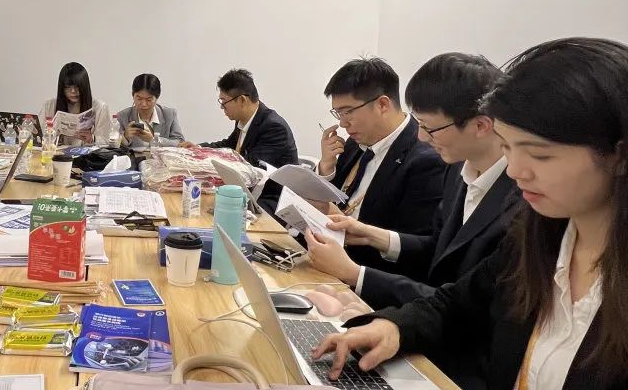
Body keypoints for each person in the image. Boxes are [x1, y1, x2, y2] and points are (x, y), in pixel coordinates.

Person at [313, 38, 628, 390]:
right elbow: (458, 302)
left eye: (540, 154)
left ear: (619, 155)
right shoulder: (542, 235)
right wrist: (394, 328)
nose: (517, 170)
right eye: (510, 147)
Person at [306, 53, 520, 390]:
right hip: (424, 326)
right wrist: (374, 236)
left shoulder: (522, 203)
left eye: (430, 127)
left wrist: (356, 274)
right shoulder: (458, 169)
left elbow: (470, 305)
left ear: (481, 125)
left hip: (464, 366)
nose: (420, 137)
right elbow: (438, 247)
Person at [317, 57, 445, 272]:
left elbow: (415, 248)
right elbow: (332, 197)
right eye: (338, 113)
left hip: (364, 271)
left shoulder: (426, 159)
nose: (342, 123)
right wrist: (326, 168)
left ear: (382, 104)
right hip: (326, 253)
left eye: (348, 112)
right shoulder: (355, 142)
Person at [183, 68, 298, 210]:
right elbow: (229, 145)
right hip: (248, 190)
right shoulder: (244, 119)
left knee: (210, 207)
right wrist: (199, 149)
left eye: (224, 101)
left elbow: (249, 167)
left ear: (242, 100)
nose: (222, 107)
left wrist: (208, 159)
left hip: (272, 199)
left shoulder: (273, 127)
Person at [40, 62, 111, 146]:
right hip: (56, 152)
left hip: (86, 153)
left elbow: (106, 141)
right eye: (68, 87)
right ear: (62, 88)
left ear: (84, 86)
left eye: (77, 86)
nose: (73, 91)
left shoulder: (100, 107)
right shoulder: (49, 105)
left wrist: (93, 138)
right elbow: (39, 137)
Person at [115, 74, 185, 151]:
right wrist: (125, 137)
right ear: (133, 95)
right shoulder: (122, 116)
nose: (143, 104)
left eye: (149, 99)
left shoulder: (169, 114)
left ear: (157, 97)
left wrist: (154, 140)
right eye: (139, 99)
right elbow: (112, 145)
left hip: (161, 158)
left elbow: (180, 142)